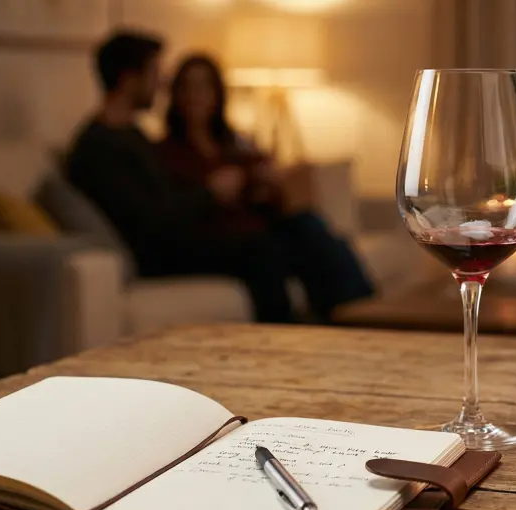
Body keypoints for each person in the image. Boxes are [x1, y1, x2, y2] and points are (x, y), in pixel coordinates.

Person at [157, 54, 373, 322]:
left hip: (261, 223)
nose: (194, 95)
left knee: (310, 226)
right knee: (277, 250)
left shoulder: (233, 143)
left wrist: (266, 183)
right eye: (187, 87)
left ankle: (364, 313)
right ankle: (325, 320)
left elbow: (268, 195)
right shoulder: (166, 152)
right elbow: (174, 209)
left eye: (203, 87)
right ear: (176, 94)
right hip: (226, 237)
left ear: (217, 93)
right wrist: (213, 191)